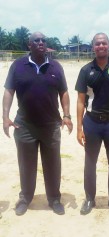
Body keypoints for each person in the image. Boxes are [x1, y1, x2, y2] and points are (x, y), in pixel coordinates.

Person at [2, 32, 73, 216]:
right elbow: (9, 91)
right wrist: (5, 117)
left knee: (53, 164)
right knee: (26, 165)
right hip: (24, 126)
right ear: (29, 45)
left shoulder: (56, 66)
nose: (41, 43)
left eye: (43, 40)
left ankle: (54, 199)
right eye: (36, 40)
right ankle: (25, 198)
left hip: (50, 126)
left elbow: (64, 92)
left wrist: (67, 115)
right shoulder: (17, 66)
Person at [75, 33, 109, 216]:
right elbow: (81, 101)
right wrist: (79, 128)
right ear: (93, 47)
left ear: (108, 45)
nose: (101, 46)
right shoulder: (85, 70)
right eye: (97, 44)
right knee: (90, 163)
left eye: (104, 43)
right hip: (92, 122)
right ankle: (89, 199)